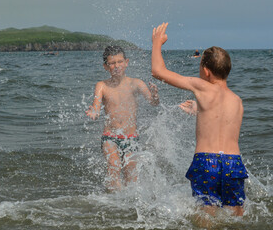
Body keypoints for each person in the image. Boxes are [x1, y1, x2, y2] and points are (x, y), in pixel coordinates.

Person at [151, 23, 248, 219]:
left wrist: (156, 44)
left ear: (206, 71)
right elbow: (222, 122)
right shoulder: (237, 101)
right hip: (233, 163)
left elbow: (158, 71)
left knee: (205, 213)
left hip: (207, 161)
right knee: (237, 212)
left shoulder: (202, 87)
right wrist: (199, 110)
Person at [86, 46, 159, 192]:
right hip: (110, 137)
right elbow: (96, 104)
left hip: (131, 137)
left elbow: (153, 103)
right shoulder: (102, 85)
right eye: (112, 63)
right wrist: (94, 111)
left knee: (131, 174)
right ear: (106, 66)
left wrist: (155, 95)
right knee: (114, 164)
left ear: (126, 62)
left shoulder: (136, 83)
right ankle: (113, 200)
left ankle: (126, 206)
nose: (116, 66)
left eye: (120, 62)